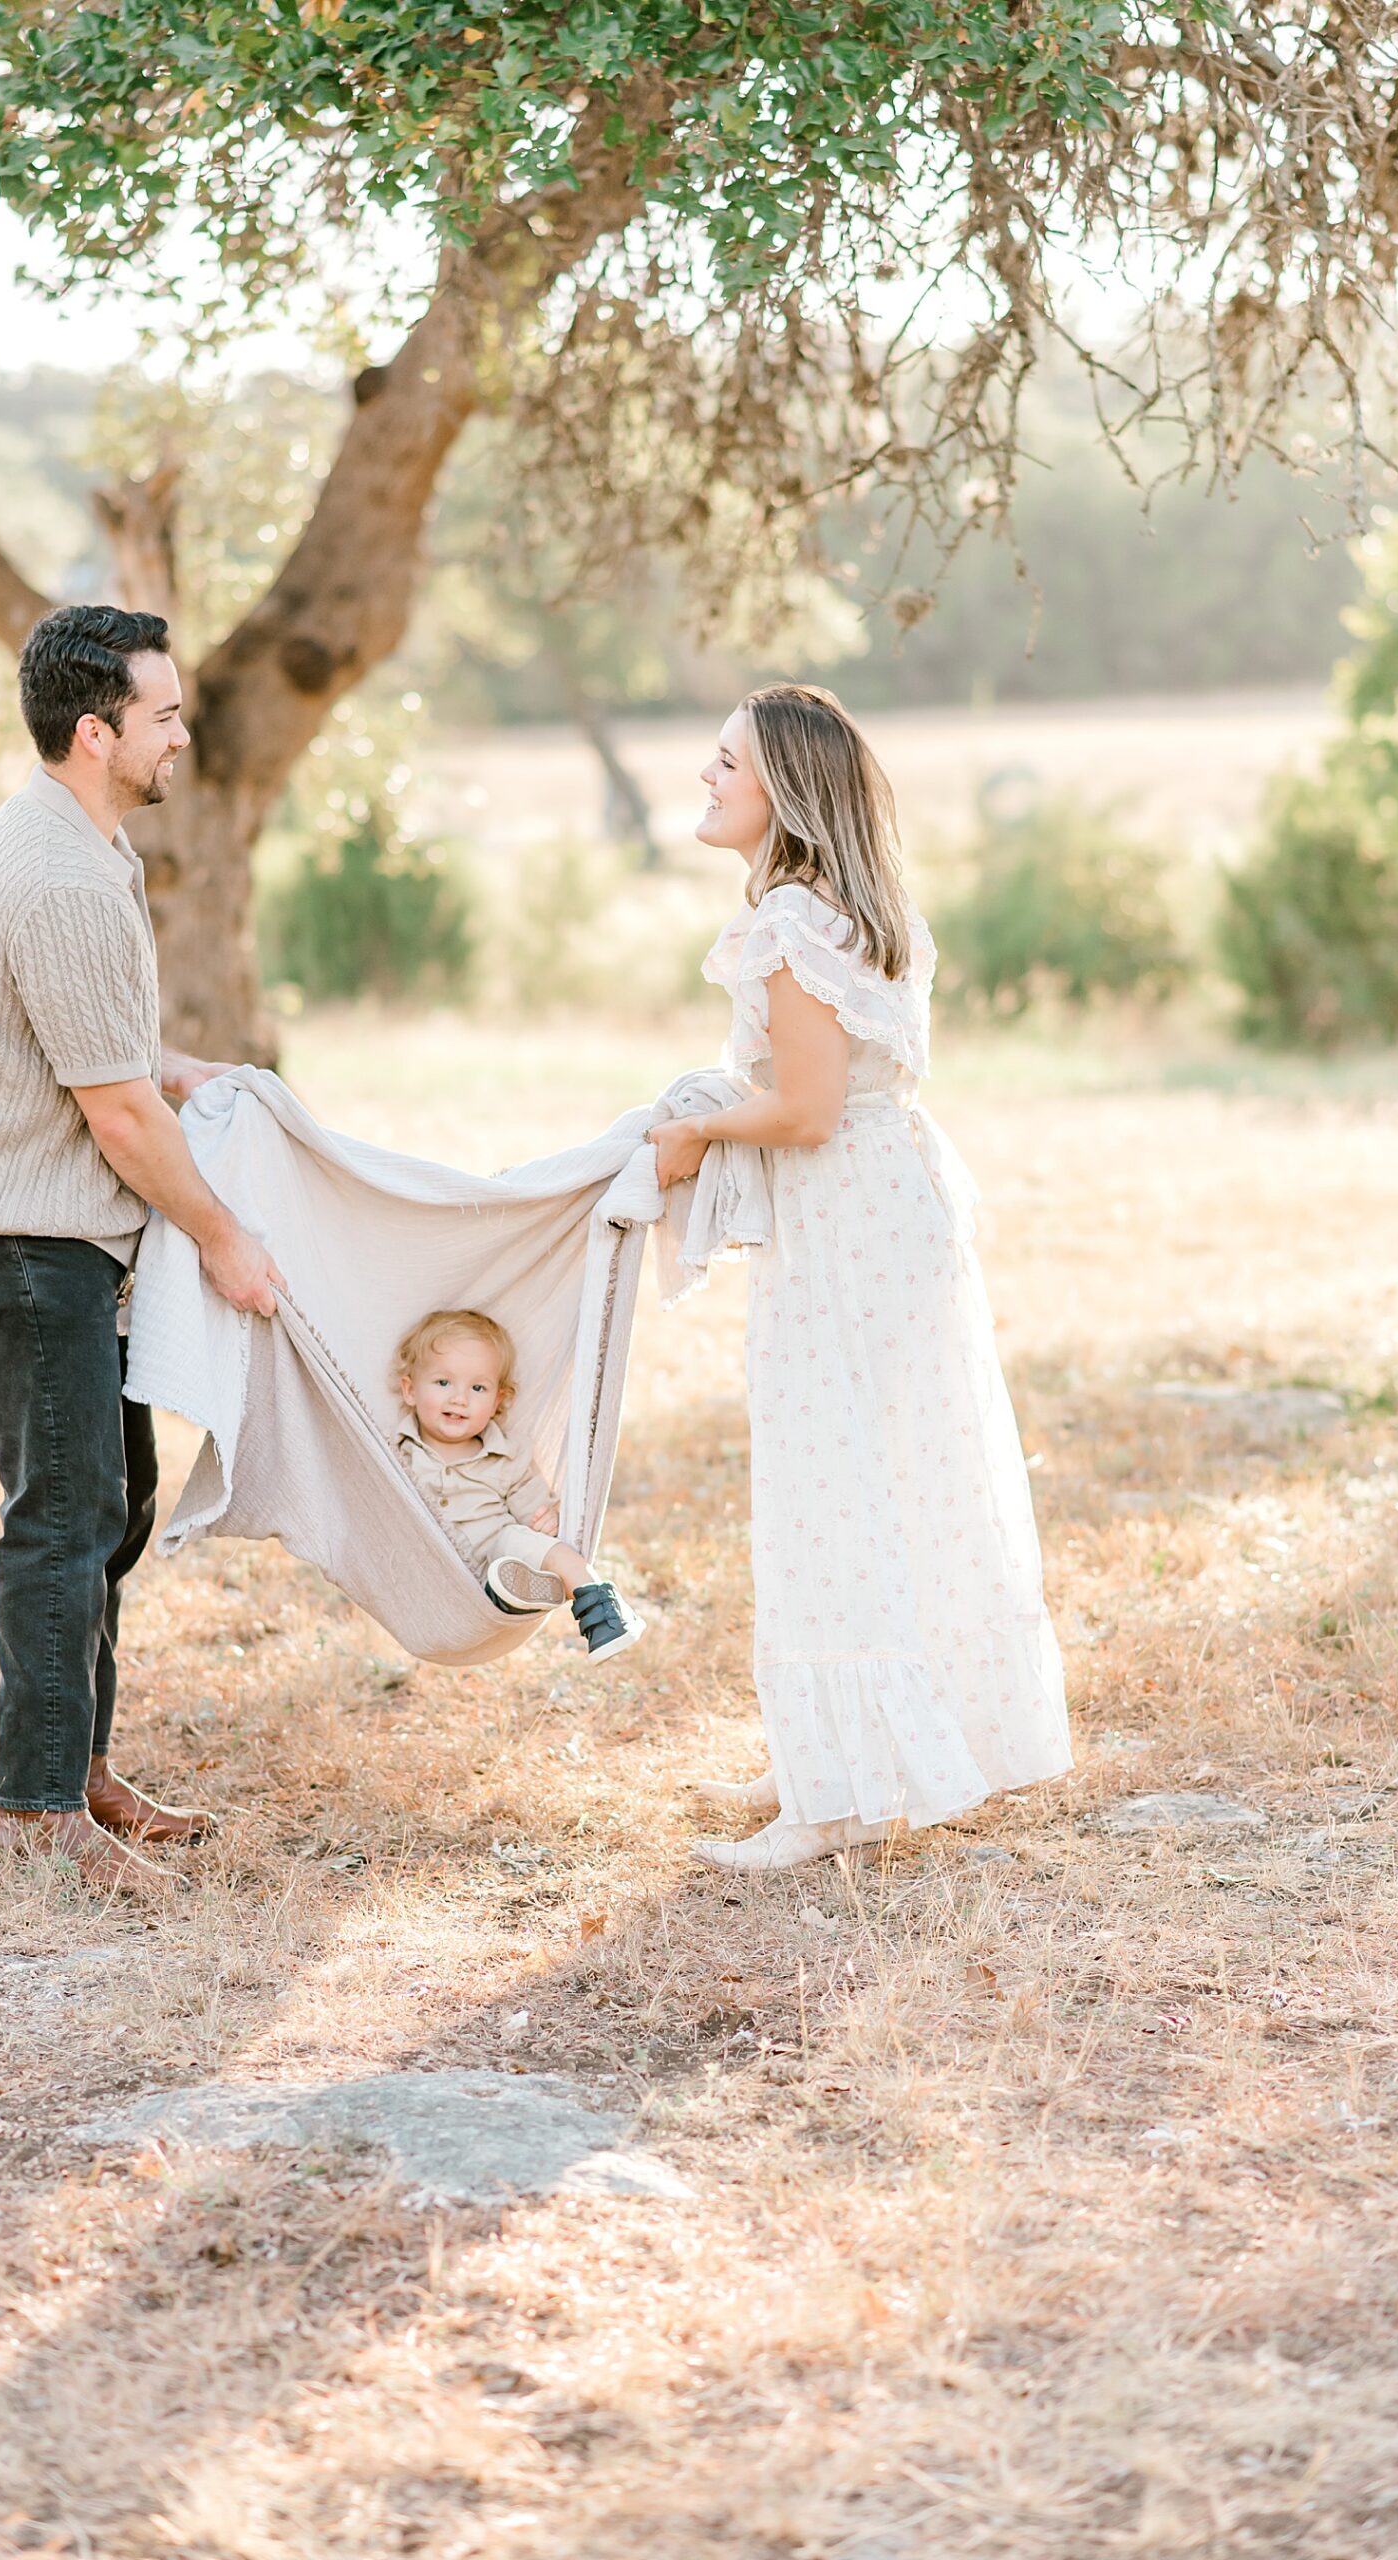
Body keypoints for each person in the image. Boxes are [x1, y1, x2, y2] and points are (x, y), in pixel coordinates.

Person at [0, 604, 283, 1892]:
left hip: (60, 1233)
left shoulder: (84, 842)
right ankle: (37, 1815)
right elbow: (113, 1118)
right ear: (95, 731)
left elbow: (95, 1052)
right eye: (162, 713)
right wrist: (223, 1238)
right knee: (63, 1516)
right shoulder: (59, 873)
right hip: (10, 1238)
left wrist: (177, 1065)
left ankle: (82, 1768)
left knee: (116, 1503)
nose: (182, 731)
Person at [650, 684, 1071, 1871]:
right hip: (888, 1208)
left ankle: (831, 1799)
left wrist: (692, 1133)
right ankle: (836, 1752)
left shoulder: (790, 918)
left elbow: (804, 1107)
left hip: (845, 1220)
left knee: (825, 1479)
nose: (704, 777)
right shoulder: (854, 905)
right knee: (887, 1474)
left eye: (724, 762)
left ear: (782, 788)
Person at [394, 1308, 644, 1662]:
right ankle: (511, 1595)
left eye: (477, 1387)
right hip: (435, 1573)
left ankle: (598, 1604)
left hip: (498, 1552)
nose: (459, 1398)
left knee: (521, 1539)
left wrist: (555, 1515)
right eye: (443, 1382)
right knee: (492, 1563)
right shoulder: (395, 1453)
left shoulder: (509, 1456)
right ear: (410, 1390)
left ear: (497, 1400)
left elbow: (535, 1510)